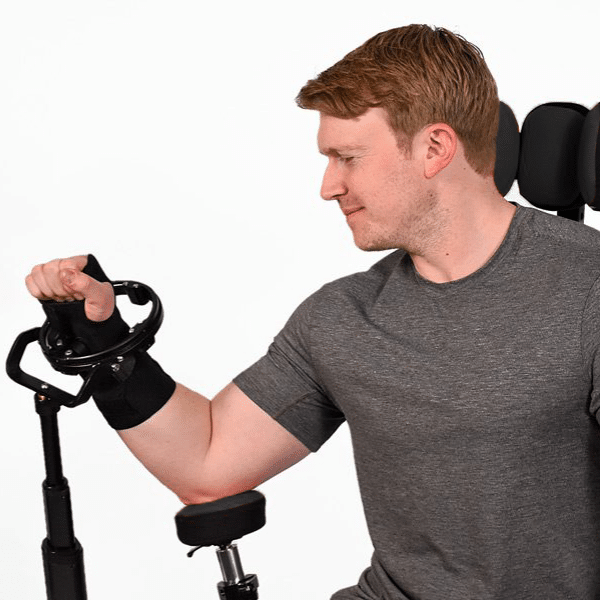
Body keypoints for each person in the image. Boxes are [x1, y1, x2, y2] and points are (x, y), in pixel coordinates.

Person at [24, 24, 600, 600]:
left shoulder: (586, 290)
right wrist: (104, 339)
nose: (329, 187)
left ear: (435, 148)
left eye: (347, 158)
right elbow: (206, 463)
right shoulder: (344, 317)